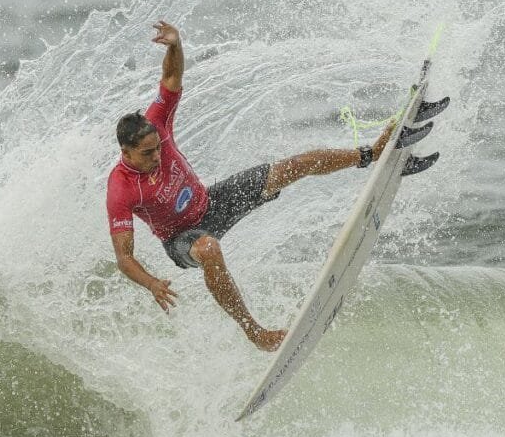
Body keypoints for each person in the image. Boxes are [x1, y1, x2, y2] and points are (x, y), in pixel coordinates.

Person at [106, 21, 438, 352]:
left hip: (211, 202)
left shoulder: (157, 123)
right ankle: (255, 332)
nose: (157, 156)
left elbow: (170, 78)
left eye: (158, 148)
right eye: (147, 154)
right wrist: (151, 283)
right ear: (126, 152)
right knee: (208, 249)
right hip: (181, 238)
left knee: (292, 166)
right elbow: (124, 257)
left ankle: (371, 154)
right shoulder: (121, 189)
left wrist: (176, 45)